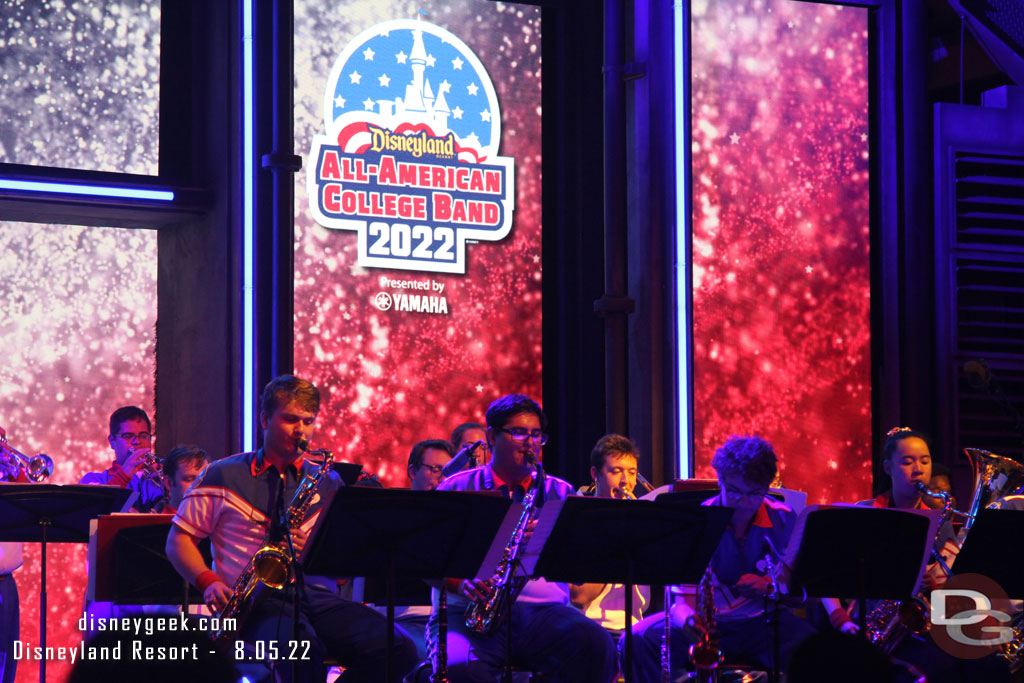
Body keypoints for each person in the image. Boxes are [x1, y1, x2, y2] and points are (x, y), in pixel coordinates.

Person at [165, 375, 417, 683]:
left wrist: (318, 551)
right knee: (303, 651)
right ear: (264, 420)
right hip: (248, 602)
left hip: (313, 596)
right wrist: (209, 583)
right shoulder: (222, 474)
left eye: (308, 422)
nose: (301, 431)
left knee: (398, 648)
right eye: (290, 420)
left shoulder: (327, 480)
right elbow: (178, 542)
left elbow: (342, 570)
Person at [427, 394, 619, 683]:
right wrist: (461, 583)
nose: (530, 443)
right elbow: (425, 561)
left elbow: (579, 571)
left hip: (544, 612)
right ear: (492, 436)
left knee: (596, 646)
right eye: (518, 432)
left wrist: (552, 545)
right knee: (458, 669)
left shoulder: (561, 491)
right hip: (466, 614)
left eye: (536, 435)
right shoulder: (456, 487)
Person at [626, 435, 815, 682]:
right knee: (638, 639)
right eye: (735, 491)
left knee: (815, 650)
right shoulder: (698, 520)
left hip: (764, 625)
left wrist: (769, 587)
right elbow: (680, 602)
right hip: (708, 625)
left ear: (767, 488)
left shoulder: (785, 517)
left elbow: (799, 593)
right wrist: (688, 622)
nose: (744, 503)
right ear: (721, 481)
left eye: (755, 493)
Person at [571, 434, 649, 639]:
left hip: (635, 627)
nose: (626, 482)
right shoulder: (576, 518)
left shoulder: (640, 518)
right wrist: (618, 538)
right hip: (591, 628)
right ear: (595, 474)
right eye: (616, 472)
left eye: (632, 473)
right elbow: (578, 596)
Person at [80, 405, 166, 512]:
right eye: (128, 436)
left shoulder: (163, 475)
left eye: (143, 436)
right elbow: (96, 510)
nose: (137, 442)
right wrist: (125, 473)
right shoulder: (93, 481)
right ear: (112, 441)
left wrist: (170, 482)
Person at [0, 425, 20, 683]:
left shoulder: (6, 474)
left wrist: (12, 470)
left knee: (5, 667)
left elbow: (35, 499)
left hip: (5, 584)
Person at [161, 444, 210, 514]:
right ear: (168, 483)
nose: (200, 486)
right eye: (189, 480)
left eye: (204, 479)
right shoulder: (157, 523)